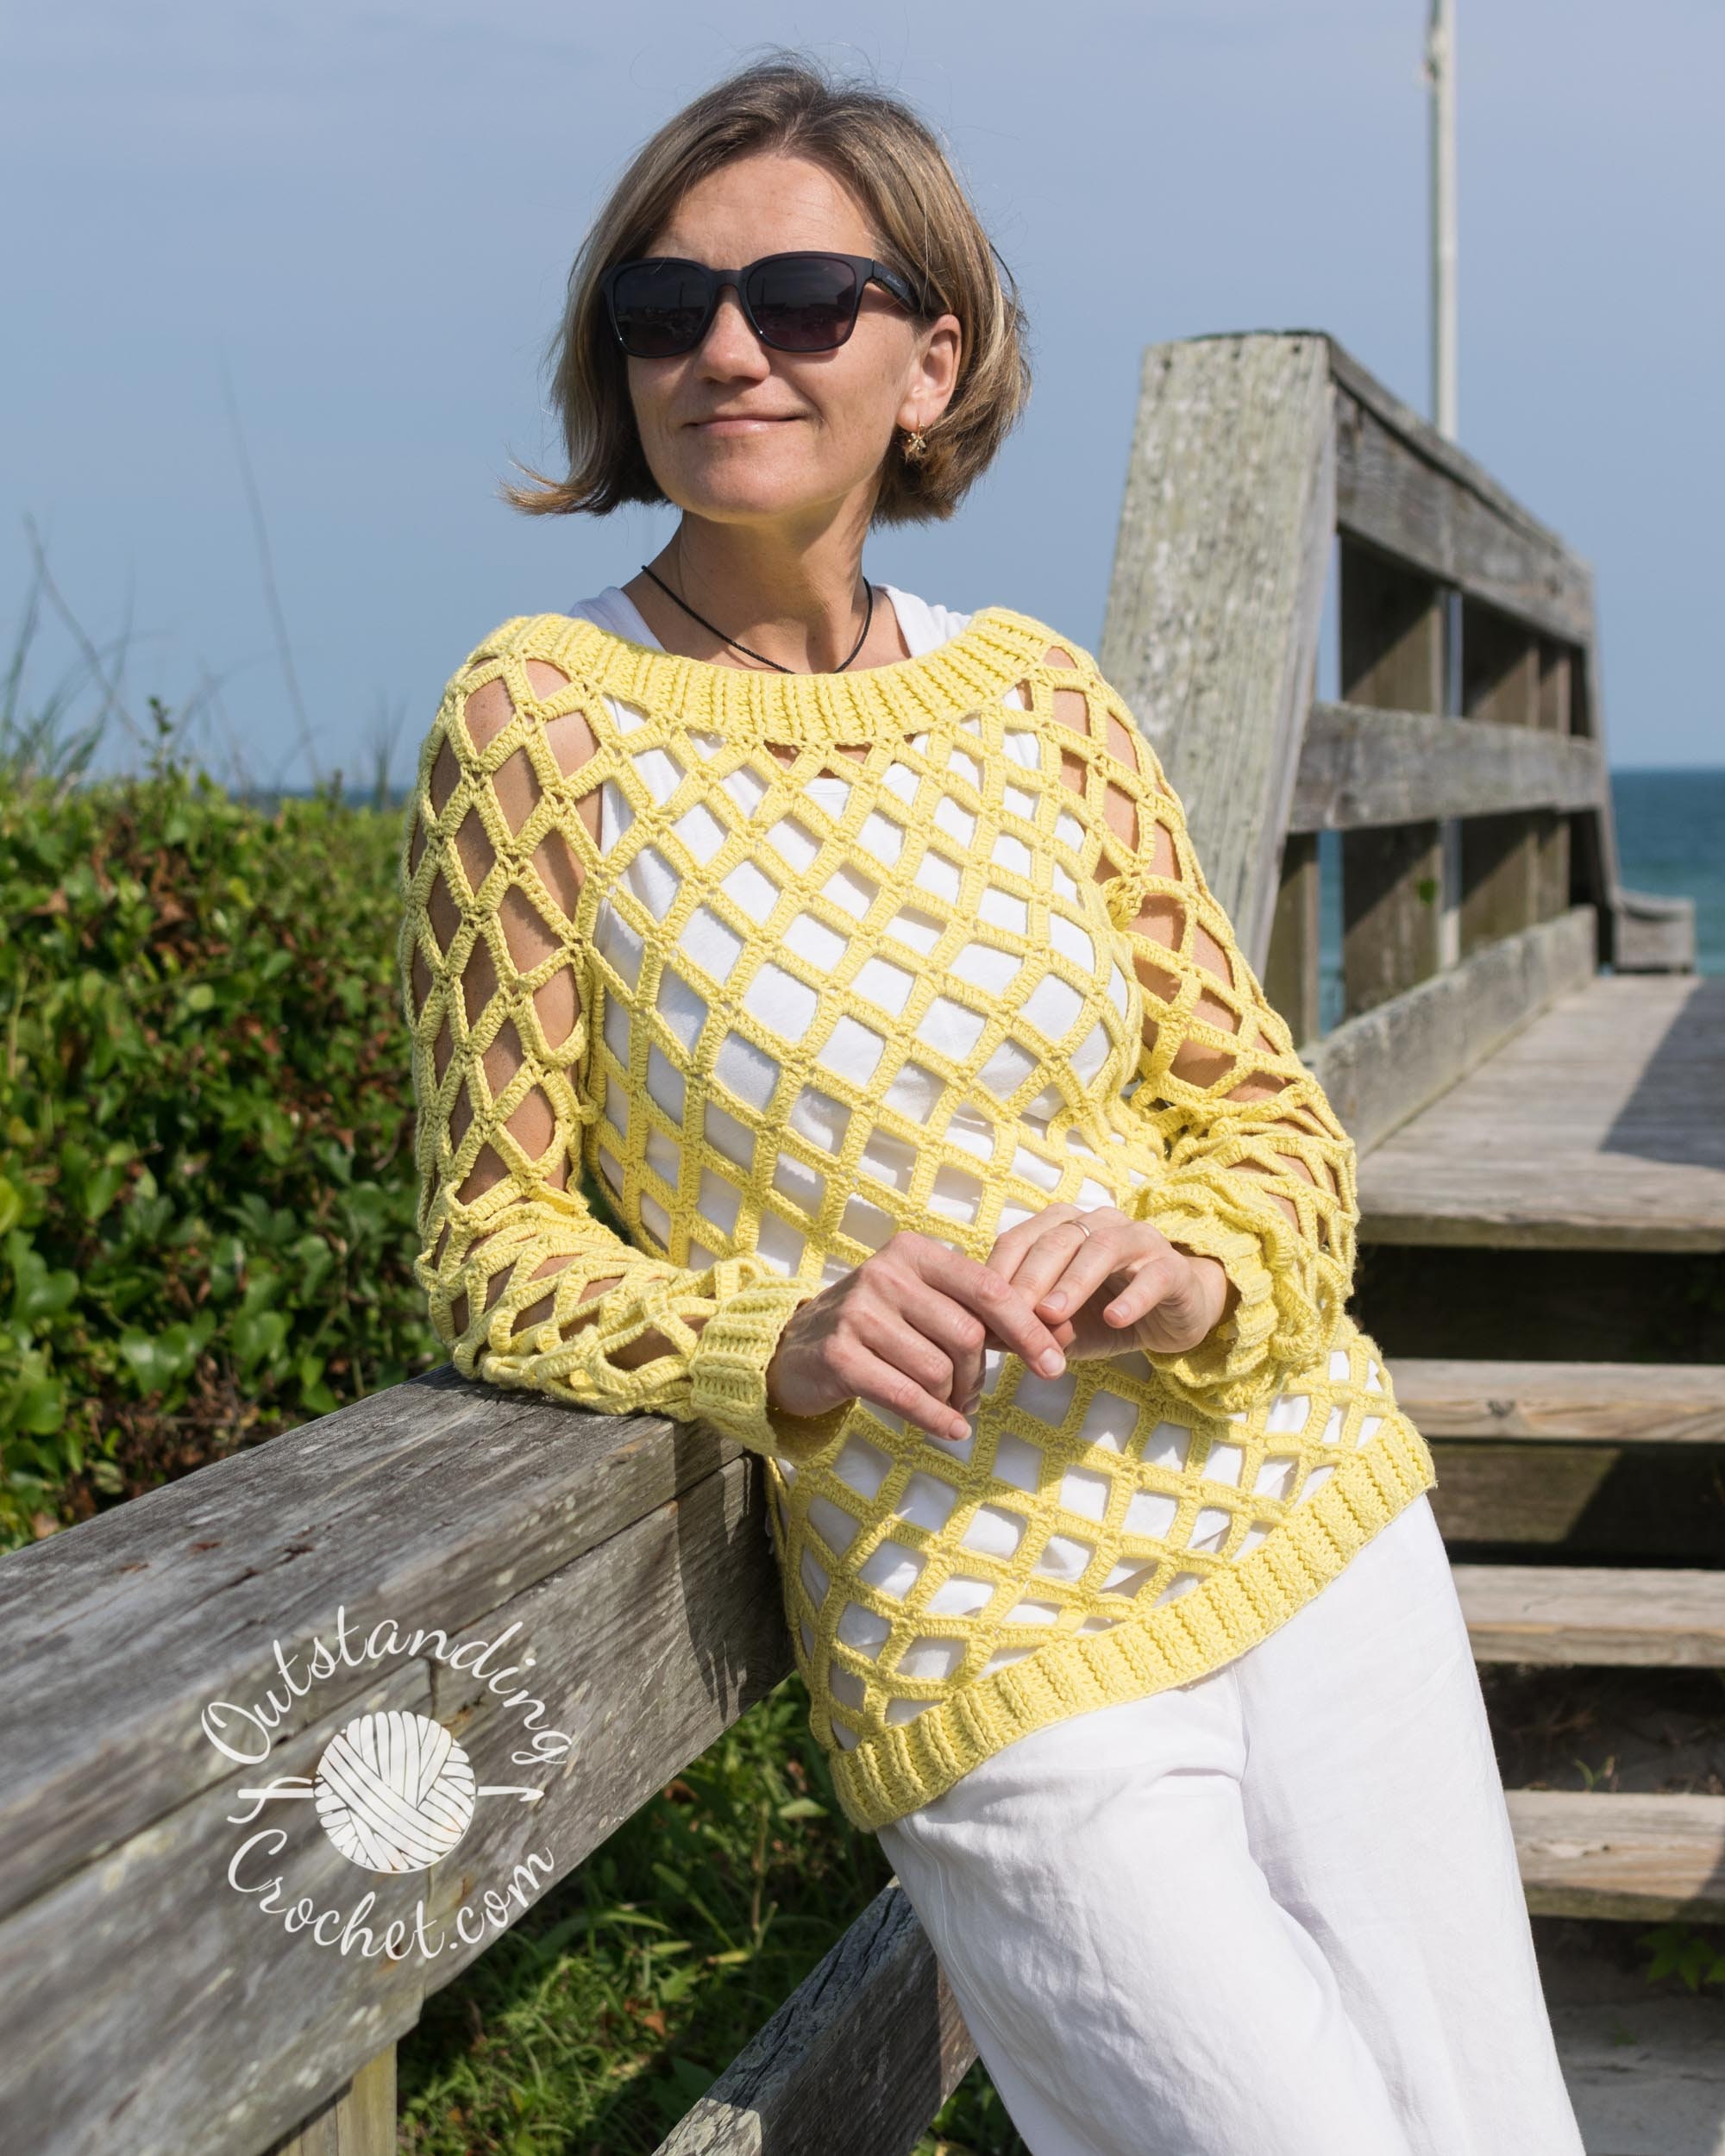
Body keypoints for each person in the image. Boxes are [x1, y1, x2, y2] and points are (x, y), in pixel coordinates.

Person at [397, 50, 1585, 2156]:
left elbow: (1272, 1132)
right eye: (661, 312)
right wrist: (768, 1335)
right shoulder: (532, 724)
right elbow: (487, 1241)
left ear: (929, 355)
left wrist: (1197, 1262)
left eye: (798, 301)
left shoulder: (1040, 696)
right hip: (982, 1630)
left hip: (1306, 1518)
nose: (724, 351)